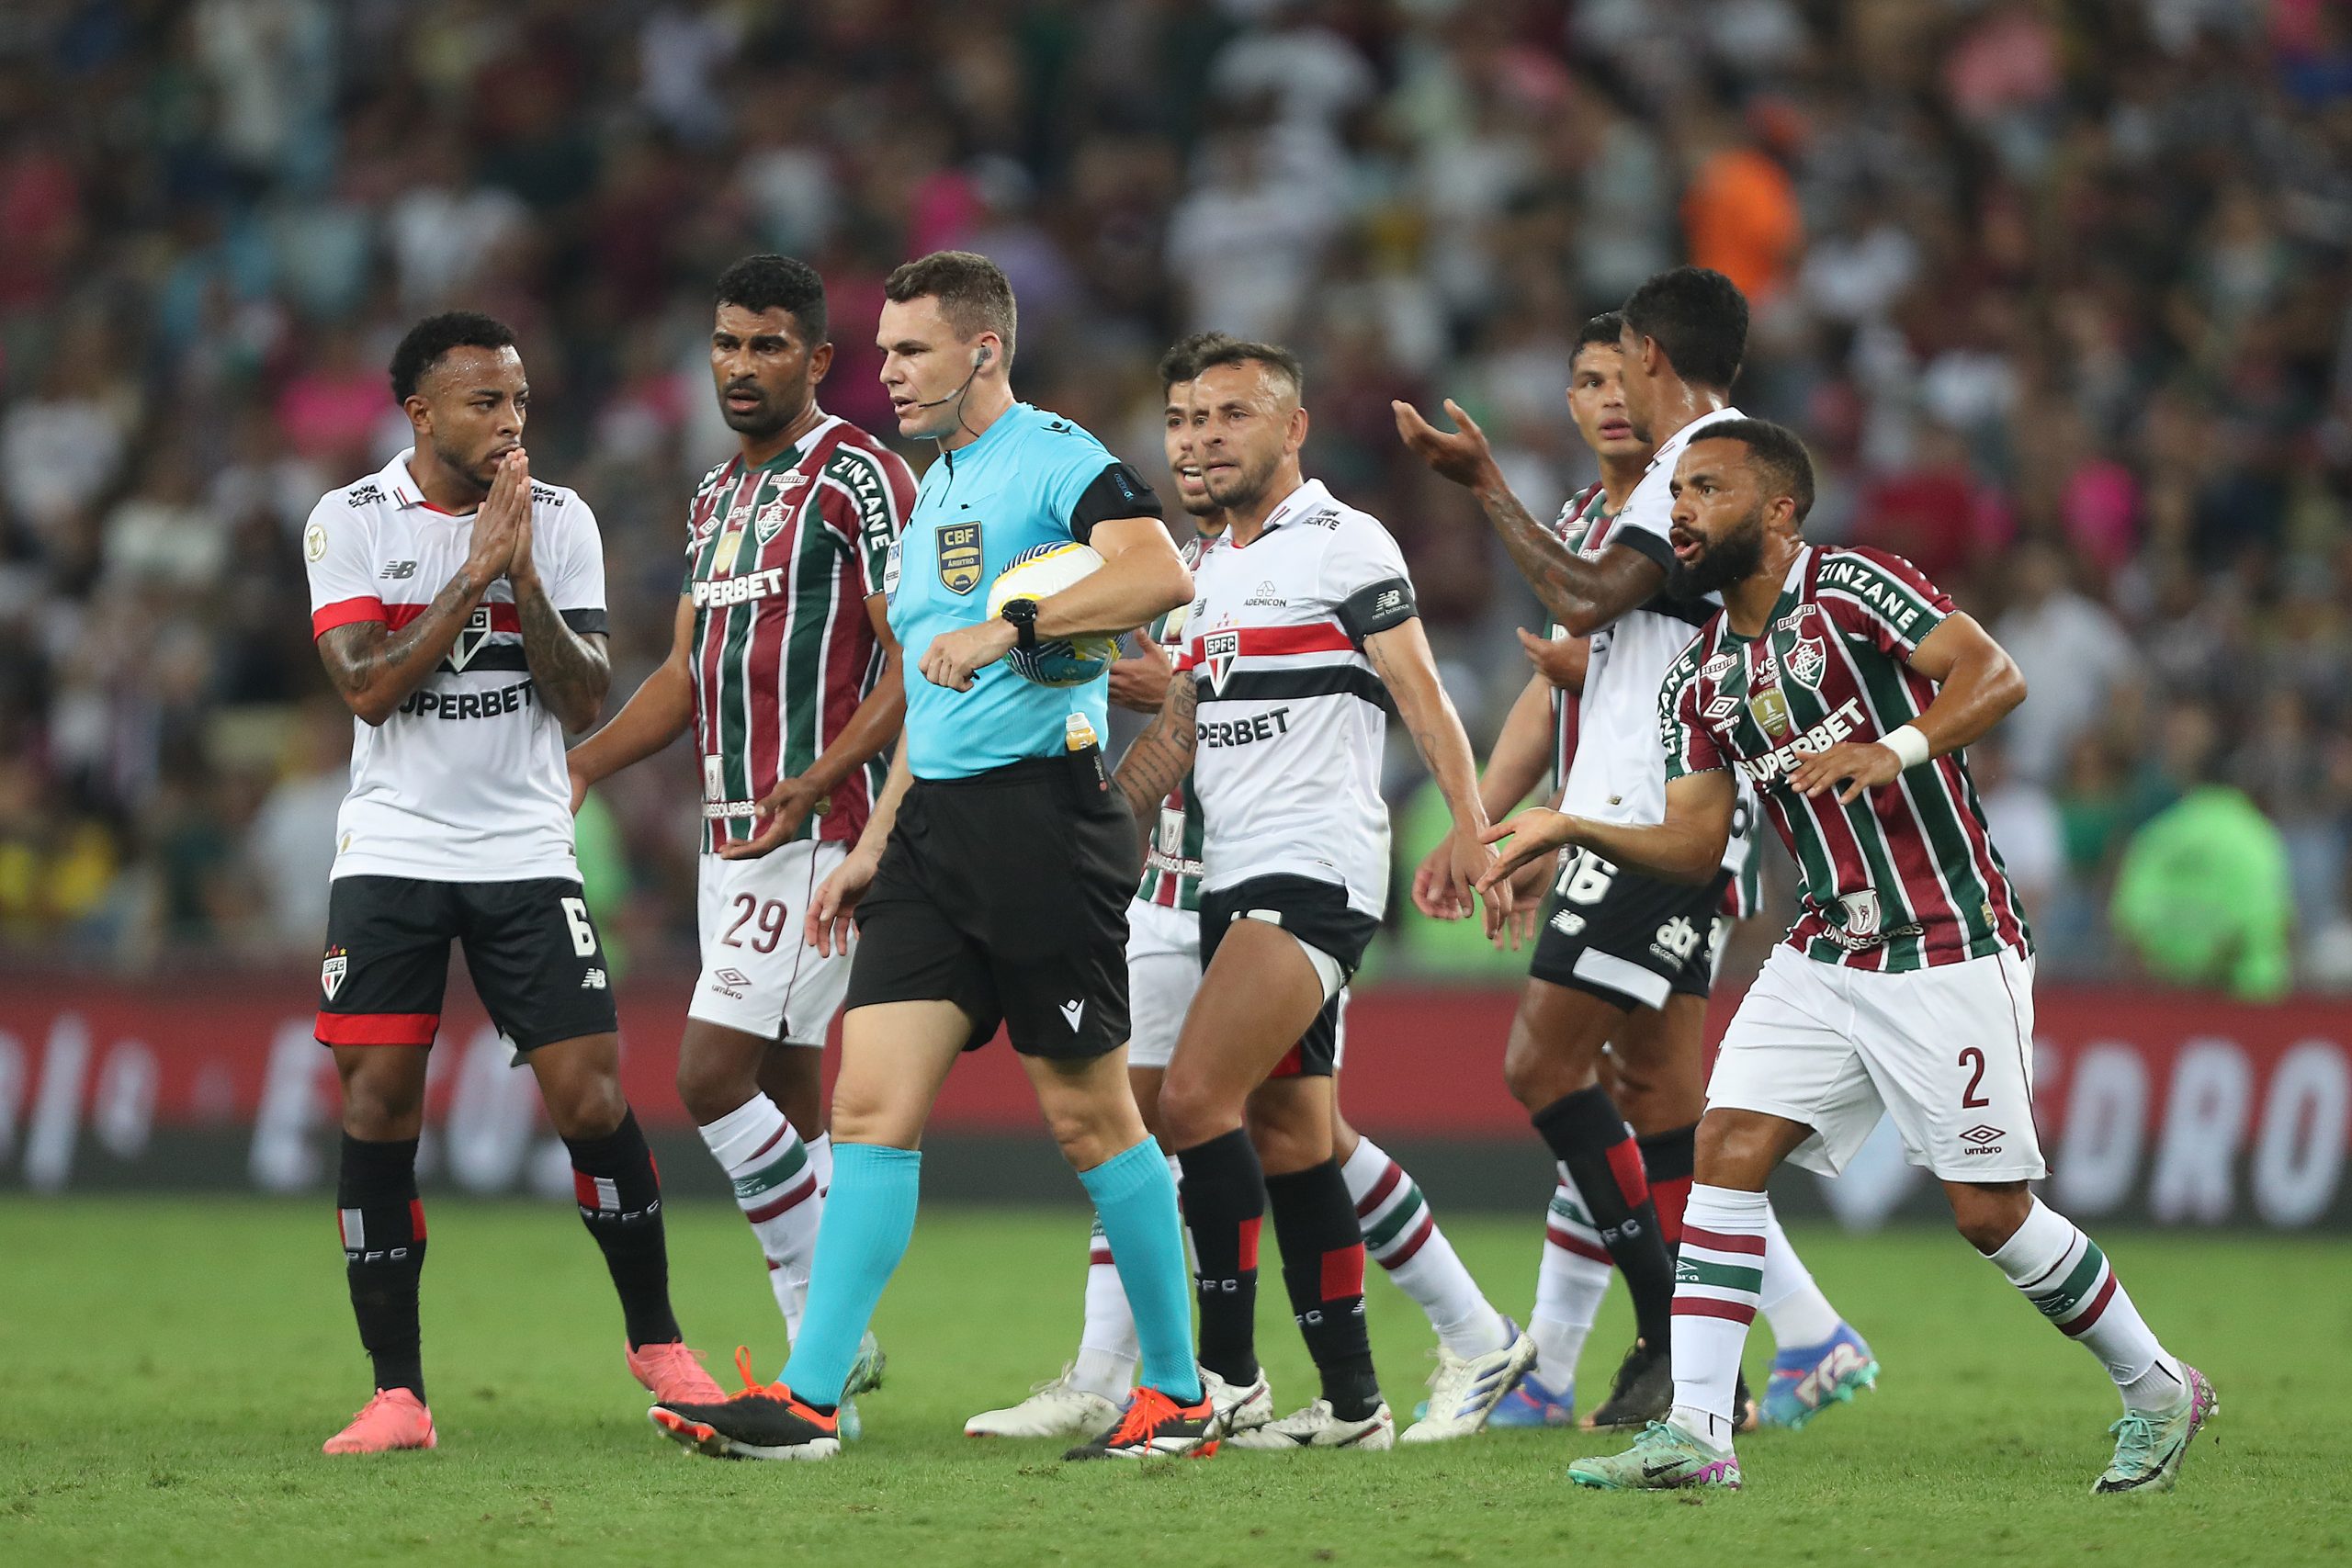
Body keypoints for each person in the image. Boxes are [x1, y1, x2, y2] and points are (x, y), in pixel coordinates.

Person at [1481, 417, 2213, 1495]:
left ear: (1777, 511)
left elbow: (1994, 675)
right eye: (1676, 492)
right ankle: (1697, 1432)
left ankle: (2156, 1386)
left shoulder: (1852, 588)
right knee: (1722, 1144)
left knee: (1988, 1213)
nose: (1679, 509)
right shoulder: (1700, 678)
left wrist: (1895, 746)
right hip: (1825, 947)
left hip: (1948, 935)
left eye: (1707, 490)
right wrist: (1567, 828)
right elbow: (1691, 843)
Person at [649, 251, 1210, 1462]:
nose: (886, 370)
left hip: (1041, 829)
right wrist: (878, 839)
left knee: (1092, 1119)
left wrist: (1009, 624)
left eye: (910, 350)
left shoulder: (1055, 455)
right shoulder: (934, 481)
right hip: (930, 833)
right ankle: (807, 1399)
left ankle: (1177, 1389)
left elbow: (1160, 570)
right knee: (867, 1106)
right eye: (885, 349)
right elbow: (926, 696)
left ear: (983, 350)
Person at [970, 334, 1524, 1446]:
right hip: (1227, 875)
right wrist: (1079, 845)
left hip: (1312, 866)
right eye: (1182, 421)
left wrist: (1477, 830)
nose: (1199, 439)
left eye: (1227, 416)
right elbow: (1177, 739)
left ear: (1291, 428)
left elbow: (1417, 688)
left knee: (1185, 1105)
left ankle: (1220, 1376)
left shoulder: (1341, 541)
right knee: (1289, 1131)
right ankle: (1355, 1401)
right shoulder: (1203, 572)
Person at [1396, 273, 1870, 1431]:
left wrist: (1480, 485)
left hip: (1654, 820)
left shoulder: (1696, 464)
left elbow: (1594, 595)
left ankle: (1666, 1343)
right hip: (1645, 810)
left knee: (1541, 1071)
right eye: (1583, 381)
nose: (1608, 395)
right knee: (1656, 1095)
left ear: (1650, 354)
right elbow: (1606, 639)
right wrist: (1493, 812)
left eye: (1620, 370)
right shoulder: (1677, 476)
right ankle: (1731, 1363)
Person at [302, 311, 724, 1455]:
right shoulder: (348, 521)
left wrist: (521, 568)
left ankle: (660, 1345)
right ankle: (399, 1394)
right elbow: (367, 689)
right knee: (379, 1106)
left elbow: (583, 694)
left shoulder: (563, 519)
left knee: (590, 1099)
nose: (510, 422)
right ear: (421, 413)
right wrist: (470, 577)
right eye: (486, 402)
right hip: (392, 850)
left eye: (521, 402)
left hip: (524, 850)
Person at [564, 256, 914, 1398]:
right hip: (733, 839)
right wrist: (585, 762)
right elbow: (682, 673)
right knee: (793, 1092)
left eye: (768, 346)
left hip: (817, 830)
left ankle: (825, 1347)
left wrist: (819, 780)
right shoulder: (715, 495)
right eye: (726, 344)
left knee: (710, 1078)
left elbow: (915, 658)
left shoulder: (860, 477)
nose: (742, 366)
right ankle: (828, 1375)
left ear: (816, 360)